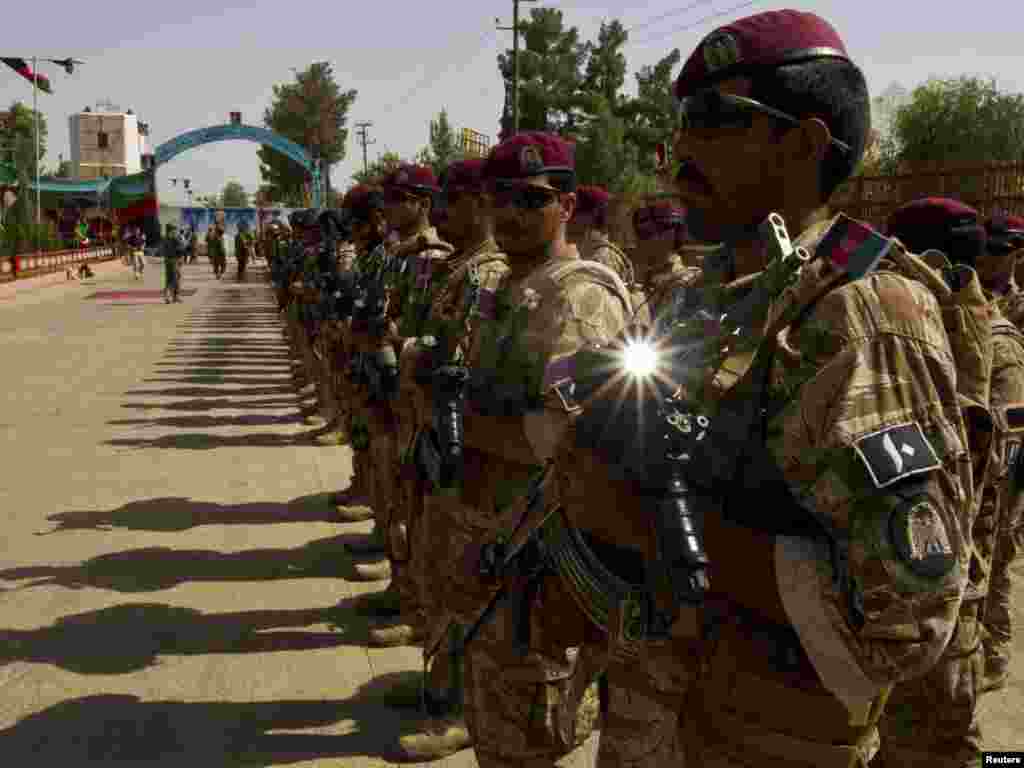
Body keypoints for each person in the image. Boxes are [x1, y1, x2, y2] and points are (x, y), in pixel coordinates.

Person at [467, 11, 975, 768]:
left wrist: (653, 530)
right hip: (660, 724)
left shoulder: (861, 316)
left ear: (803, 145)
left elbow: (906, 621)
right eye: (684, 123)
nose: (681, 150)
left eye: (716, 121)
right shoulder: (706, 298)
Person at [445, 131, 632, 768]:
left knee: (529, 732)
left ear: (568, 205)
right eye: (499, 198)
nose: (510, 213)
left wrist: (462, 423)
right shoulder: (508, 288)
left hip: (539, 558)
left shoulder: (578, 298)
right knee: (495, 723)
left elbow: (567, 442)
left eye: (530, 198)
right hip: (491, 539)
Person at [872, 197, 1014, 768]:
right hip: (916, 594)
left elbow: (987, 482)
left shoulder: (977, 346)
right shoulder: (935, 337)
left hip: (945, 595)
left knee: (936, 745)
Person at [394, 158, 510, 760]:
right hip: (436, 439)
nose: (444, 211)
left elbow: (464, 365)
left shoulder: (487, 274)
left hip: (473, 456)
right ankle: (440, 685)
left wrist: (424, 357)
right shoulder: (458, 270)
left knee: (463, 584)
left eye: (456, 200)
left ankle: (457, 708)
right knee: (438, 569)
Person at [347, 165, 454, 649]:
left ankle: (416, 607)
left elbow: (430, 331)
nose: (388, 208)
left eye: (399, 199)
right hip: (390, 388)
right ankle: (401, 585)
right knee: (395, 492)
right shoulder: (395, 253)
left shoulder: (432, 256)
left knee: (415, 504)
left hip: (413, 396)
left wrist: (397, 340)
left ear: (422, 202)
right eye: (386, 199)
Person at [978, 213, 1024, 694]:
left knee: (1002, 544)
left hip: (1015, 439)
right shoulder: (975, 296)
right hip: (989, 431)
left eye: (1001, 250)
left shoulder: (1019, 307)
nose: (992, 257)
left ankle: (994, 649)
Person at [568, 184, 635, 285]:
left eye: (575, 213)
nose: (570, 218)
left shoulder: (602, 258)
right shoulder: (586, 249)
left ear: (588, 217)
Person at [161, 222, 185, 303]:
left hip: (168, 260)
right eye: (174, 229)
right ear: (171, 230)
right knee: (175, 279)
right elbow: (181, 248)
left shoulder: (165, 238)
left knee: (170, 279)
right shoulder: (174, 237)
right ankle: (174, 296)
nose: (175, 230)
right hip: (174, 260)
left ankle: (170, 297)